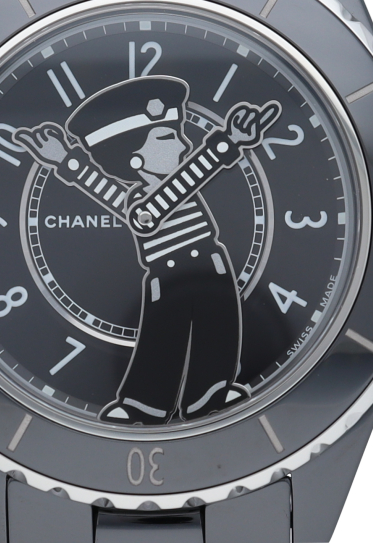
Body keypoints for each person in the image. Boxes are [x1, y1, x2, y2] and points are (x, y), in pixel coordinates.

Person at [14, 76, 281, 424]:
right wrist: (65, 158)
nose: (185, 144)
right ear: (135, 160)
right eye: (168, 137)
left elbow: (194, 173)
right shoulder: (140, 204)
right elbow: (104, 184)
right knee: (162, 339)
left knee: (219, 331)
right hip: (166, 276)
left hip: (213, 267)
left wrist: (232, 140)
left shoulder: (168, 192)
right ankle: (144, 405)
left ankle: (210, 394)